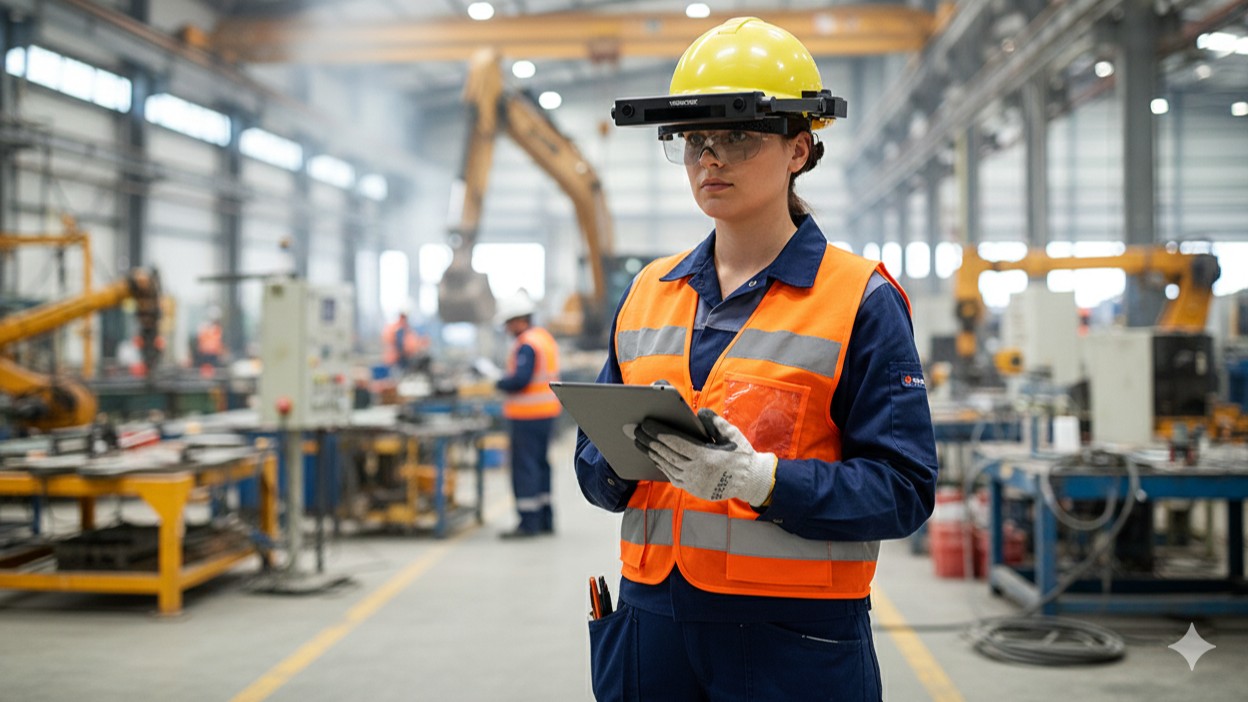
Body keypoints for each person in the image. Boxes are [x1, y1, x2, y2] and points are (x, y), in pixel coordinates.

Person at [575, 17, 938, 702]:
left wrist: (761, 480)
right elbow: (593, 476)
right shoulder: (649, 291)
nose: (710, 159)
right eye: (694, 142)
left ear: (799, 149)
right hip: (652, 625)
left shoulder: (859, 298)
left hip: (793, 638)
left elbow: (905, 492)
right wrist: (623, 460)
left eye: (737, 138)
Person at [496, 292, 562, 539]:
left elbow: (520, 380)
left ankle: (528, 522)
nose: (506, 328)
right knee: (541, 465)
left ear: (518, 320)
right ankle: (545, 518)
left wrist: (499, 382)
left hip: (527, 416)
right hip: (546, 413)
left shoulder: (527, 344)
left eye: (508, 323)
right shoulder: (543, 338)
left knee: (525, 467)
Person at [381, 304, 430, 372]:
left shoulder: (408, 329)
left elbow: (412, 344)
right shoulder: (393, 328)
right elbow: (390, 341)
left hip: (405, 359)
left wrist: (421, 343)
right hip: (394, 361)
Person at [195, 306, 224, 371]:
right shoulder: (204, 328)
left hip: (212, 354)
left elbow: (218, 343)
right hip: (205, 354)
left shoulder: (216, 329)